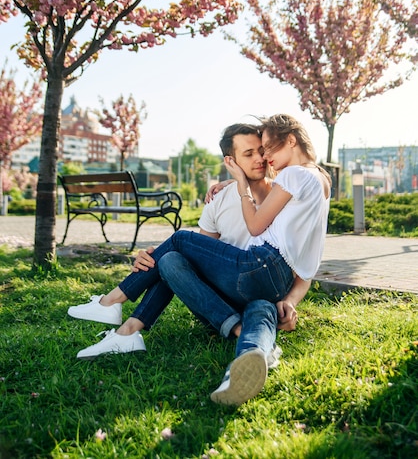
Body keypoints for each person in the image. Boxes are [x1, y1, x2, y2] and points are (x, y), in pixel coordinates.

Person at [68, 123, 300, 362]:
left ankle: (117, 310)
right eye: (248, 154)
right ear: (231, 162)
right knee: (169, 259)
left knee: (261, 306)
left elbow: (304, 257)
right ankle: (126, 330)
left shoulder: (285, 194)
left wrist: (290, 302)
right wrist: (153, 259)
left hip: (262, 295)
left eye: (262, 150)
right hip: (216, 302)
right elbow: (197, 258)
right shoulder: (218, 200)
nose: (260, 158)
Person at [149, 113, 331, 404]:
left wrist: (241, 186)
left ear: (292, 140)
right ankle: (248, 359)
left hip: (259, 268)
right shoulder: (319, 182)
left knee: (180, 239)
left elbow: (256, 225)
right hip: (268, 285)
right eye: (256, 152)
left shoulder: (290, 180)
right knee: (260, 307)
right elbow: (310, 262)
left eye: (267, 148)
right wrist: (290, 301)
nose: (265, 156)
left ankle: (121, 298)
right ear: (233, 159)